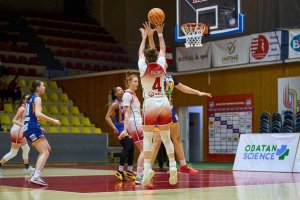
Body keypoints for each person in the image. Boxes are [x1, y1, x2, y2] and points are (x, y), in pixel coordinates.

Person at [146, 28, 212, 173]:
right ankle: (147, 170)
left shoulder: (170, 77)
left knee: (176, 138)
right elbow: (154, 52)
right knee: (156, 141)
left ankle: (183, 166)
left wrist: (199, 92)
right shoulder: (153, 74)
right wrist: (151, 37)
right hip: (158, 111)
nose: (162, 62)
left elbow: (183, 87)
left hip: (170, 109)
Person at [138, 22, 177, 187]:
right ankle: (173, 166)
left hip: (151, 103)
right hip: (164, 102)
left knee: (147, 138)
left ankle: (147, 168)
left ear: (146, 58)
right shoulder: (162, 65)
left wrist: (144, 37)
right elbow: (163, 50)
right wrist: (159, 34)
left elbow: (140, 52)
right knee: (166, 138)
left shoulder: (142, 67)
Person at [23, 80, 60, 186]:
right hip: (32, 127)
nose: (44, 87)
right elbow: (38, 114)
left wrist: (37, 126)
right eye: (43, 85)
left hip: (30, 126)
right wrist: (53, 120)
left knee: (47, 149)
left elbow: (30, 115)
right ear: (37, 88)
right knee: (45, 152)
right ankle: (35, 177)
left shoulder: (30, 98)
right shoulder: (37, 98)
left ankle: (34, 174)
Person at [105, 86, 135, 182]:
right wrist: (114, 128)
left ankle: (129, 171)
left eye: (122, 89)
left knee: (132, 148)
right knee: (126, 147)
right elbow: (107, 117)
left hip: (127, 126)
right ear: (115, 94)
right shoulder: (115, 104)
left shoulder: (126, 102)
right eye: (118, 90)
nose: (121, 90)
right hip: (120, 127)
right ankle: (120, 171)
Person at [0, 95, 34, 174]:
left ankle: (27, 167)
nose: (29, 100)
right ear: (23, 100)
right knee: (13, 152)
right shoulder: (22, 109)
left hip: (21, 131)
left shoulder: (26, 108)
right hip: (17, 131)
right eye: (27, 99)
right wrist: (23, 125)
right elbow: (14, 120)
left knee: (26, 148)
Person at [121, 71, 144, 184]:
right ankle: (139, 176)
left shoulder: (133, 95)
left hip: (138, 122)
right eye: (135, 81)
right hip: (134, 123)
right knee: (145, 150)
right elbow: (126, 114)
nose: (137, 83)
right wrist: (124, 130)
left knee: (145, 150)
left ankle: (141, 174)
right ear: (129, 82)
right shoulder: (127, 95)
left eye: (138, 82)